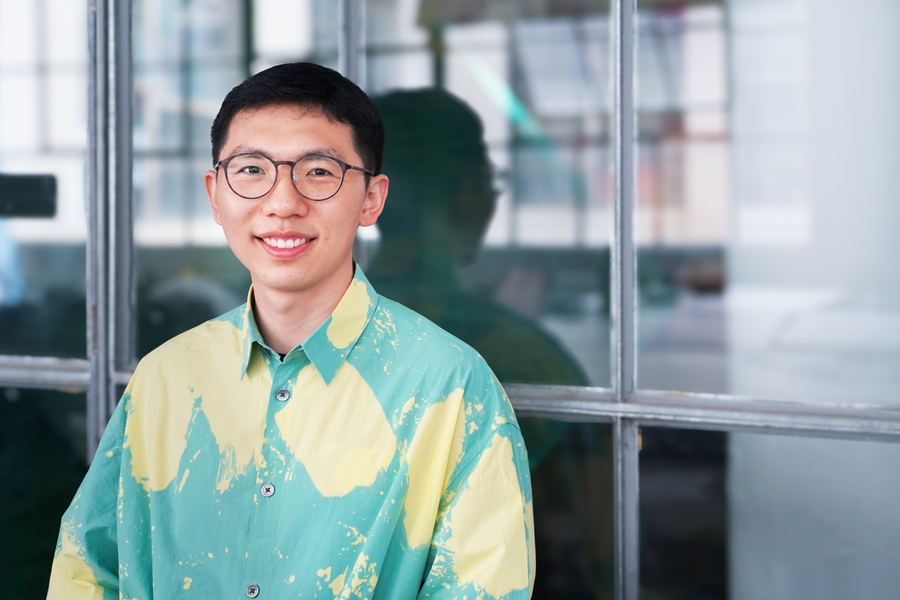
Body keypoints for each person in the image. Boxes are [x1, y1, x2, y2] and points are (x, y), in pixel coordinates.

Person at [47, 62, 535, 599]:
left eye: (319, 172)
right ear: (215, 194)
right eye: (252, 170)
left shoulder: (451, 387)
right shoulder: (166, 376)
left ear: (371, 198)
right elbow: (88, 570)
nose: (282, 203)